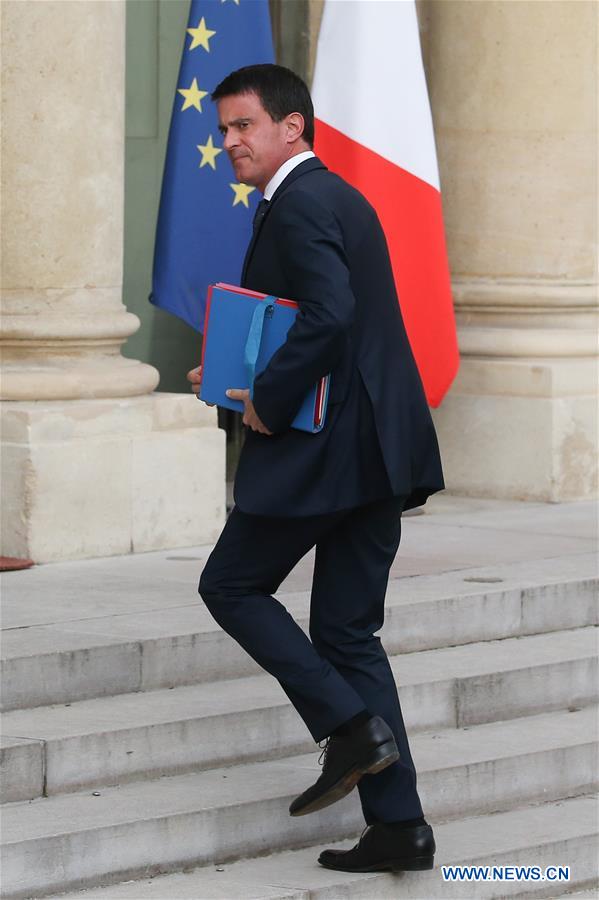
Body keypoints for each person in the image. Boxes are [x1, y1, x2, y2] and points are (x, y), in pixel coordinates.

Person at [187, 63, 444, 874]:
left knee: (229, 585)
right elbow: (320, 318)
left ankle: (346, 727)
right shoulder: (331, 197)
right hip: (377, 450)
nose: (228, 141)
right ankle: (398, 826)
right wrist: (233, 373)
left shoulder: (297, 204)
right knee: (345, 631)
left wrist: (264, 391)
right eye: (223, 128)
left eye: (242, 126)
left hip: (323, 453)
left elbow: (329, 317)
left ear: (291, 127)